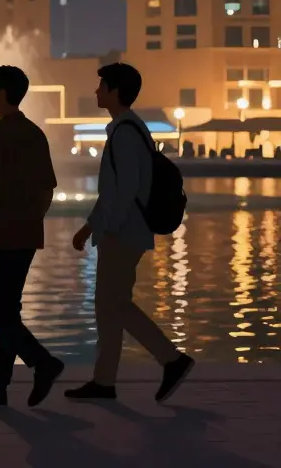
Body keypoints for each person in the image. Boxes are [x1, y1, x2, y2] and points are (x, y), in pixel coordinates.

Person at [66, 63, 195, 403]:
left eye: (101, 86)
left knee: (114, 304)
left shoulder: (124, 133)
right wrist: (89, 227)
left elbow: (123, 192)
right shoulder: (129, 129)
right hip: (122, 229)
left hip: (123, 232)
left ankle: (171, 359)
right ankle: (104, 381)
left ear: (114, 91)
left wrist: (105, 228)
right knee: (106, 306)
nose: (96, 91)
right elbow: (114, 192)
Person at [0, 66, 63, 407]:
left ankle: (42, 362)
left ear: (3, 92)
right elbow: (48, 189)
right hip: (27, 234)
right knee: (7, 310)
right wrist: (32, 218)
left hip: (1, 235)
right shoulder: (35, 133)